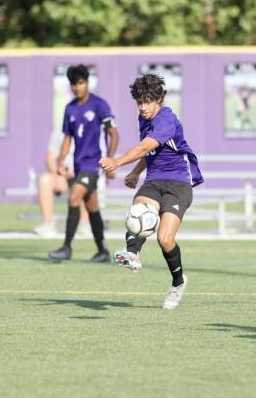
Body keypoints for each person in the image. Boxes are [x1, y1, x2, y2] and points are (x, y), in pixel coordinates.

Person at [100, 74, 203, 310]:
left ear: (160, 100)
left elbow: (146, 145)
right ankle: (132, 253)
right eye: (139, 102)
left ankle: (178, 283)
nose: (143, 107)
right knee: (138, 211)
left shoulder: (167, 118)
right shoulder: (143, 118)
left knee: (165, 239)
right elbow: (151, 152)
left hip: (179, 182)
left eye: (148, 101)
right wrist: (136, 172)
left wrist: (117, 162)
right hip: (155, 179)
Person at [48, 64, 119, 263]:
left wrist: (111, 161)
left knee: (74, 198)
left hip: (94, 164)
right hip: (80, 165)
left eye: (81, 83)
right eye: (74, 84)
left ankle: (66, 247)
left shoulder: (99, 105)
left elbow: (114, 135)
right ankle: (103, 251)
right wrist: (61, 161)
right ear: (70, 86)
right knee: (92, 206)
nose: (78, 87)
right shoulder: (69, 108)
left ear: (87, 83)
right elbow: (67, 138)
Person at [33, 129, 89, 237]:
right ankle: (48, 224)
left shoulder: (92, 130)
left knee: (82, 181)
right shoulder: (60, 132)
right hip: (63, 174)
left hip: (84, 174)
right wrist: (59, 176)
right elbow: (50, 158)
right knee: (45, 180)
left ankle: (84, 223)